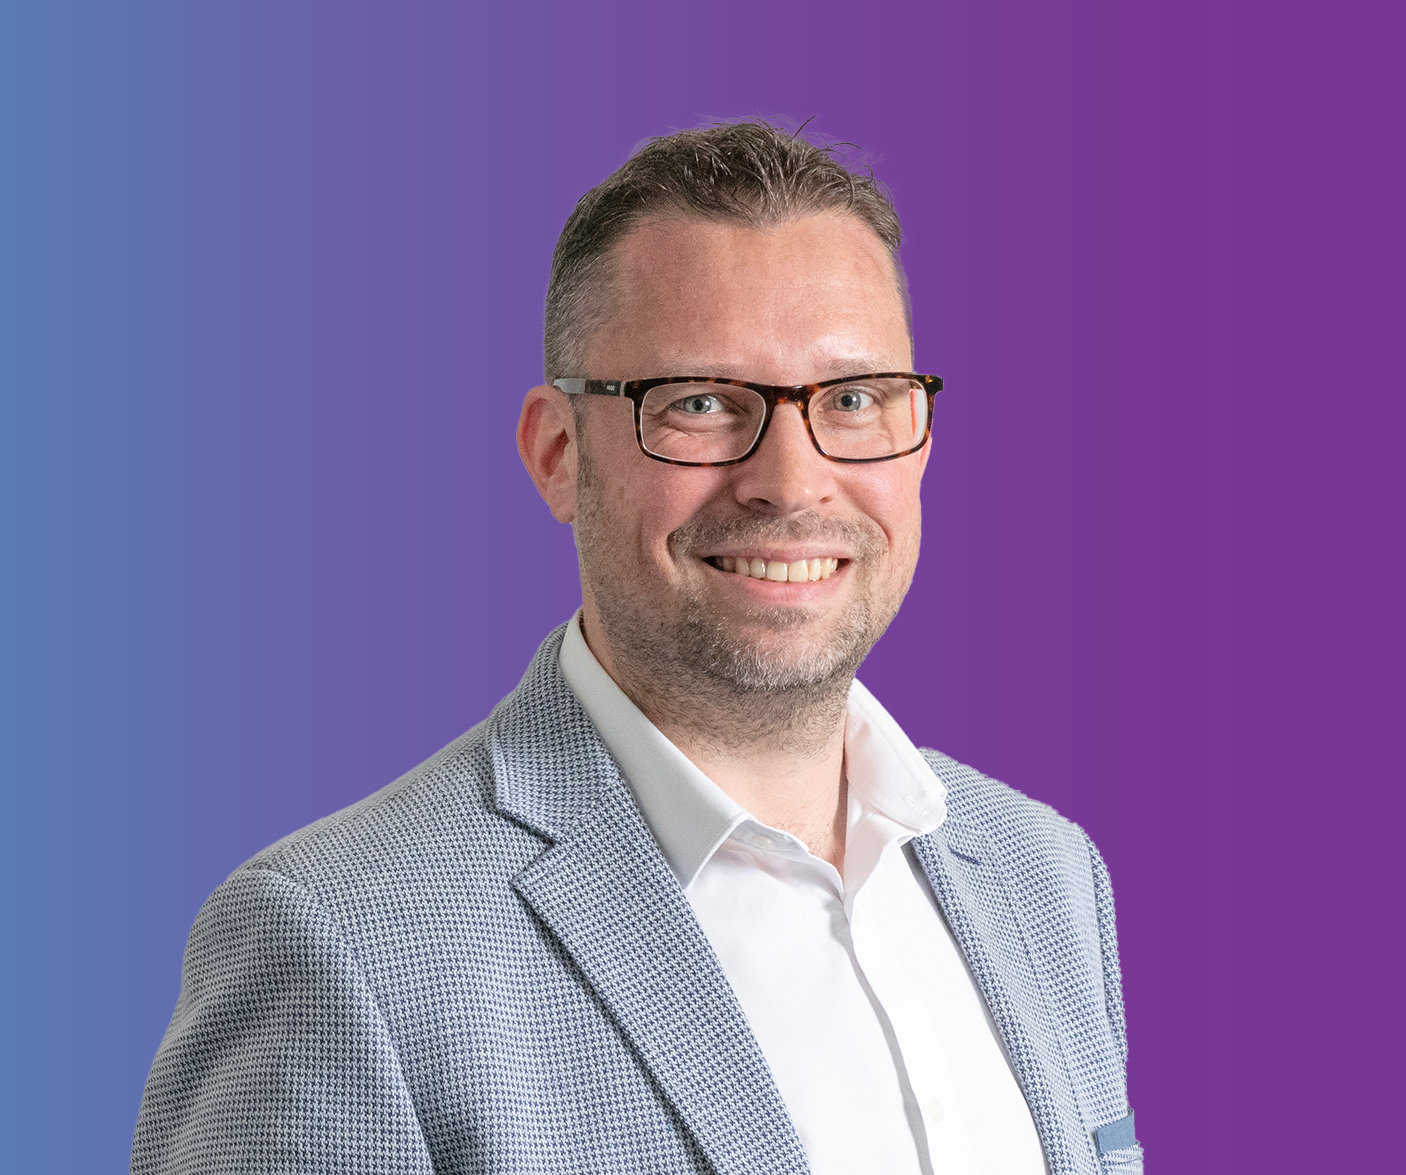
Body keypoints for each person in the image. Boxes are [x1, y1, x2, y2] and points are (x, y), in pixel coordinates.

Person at [132, 120, 1140, 1175]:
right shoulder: (339, 946)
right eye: (701, 402)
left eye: (851, 400)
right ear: (556, 452)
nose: (791, 482)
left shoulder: (1045, 877)